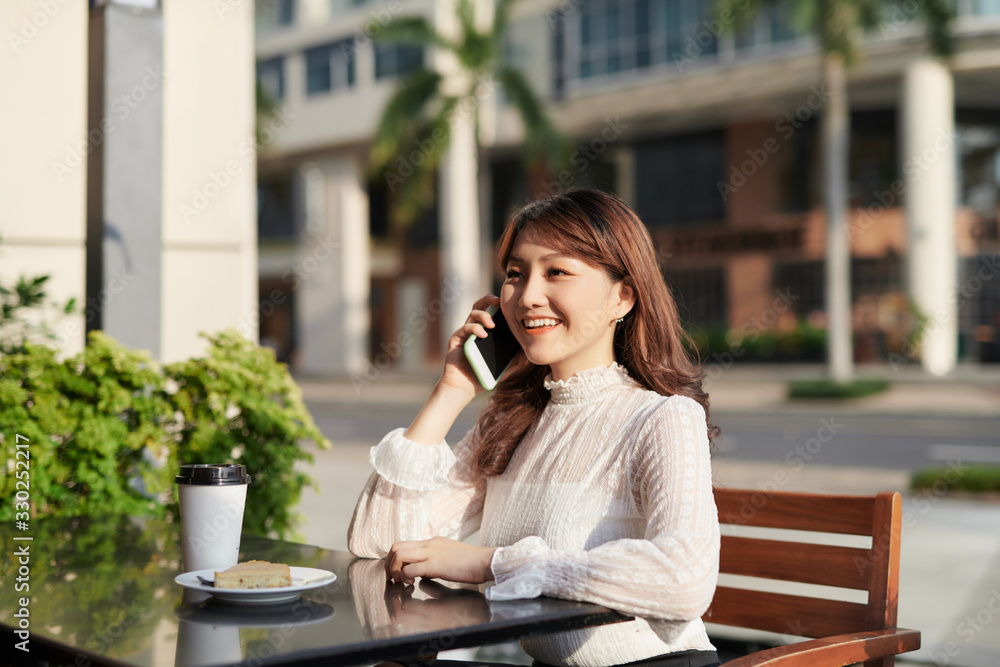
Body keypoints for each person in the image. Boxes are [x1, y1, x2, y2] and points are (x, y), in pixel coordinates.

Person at [348, 188, 721, 667]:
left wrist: (492, 563)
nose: (527, 297)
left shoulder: (662, 418)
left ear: (622, 296)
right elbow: (376, 544)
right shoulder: (511, 423)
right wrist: (453, 391)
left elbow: (683, 579)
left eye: (557, 272)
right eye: (515, 274)